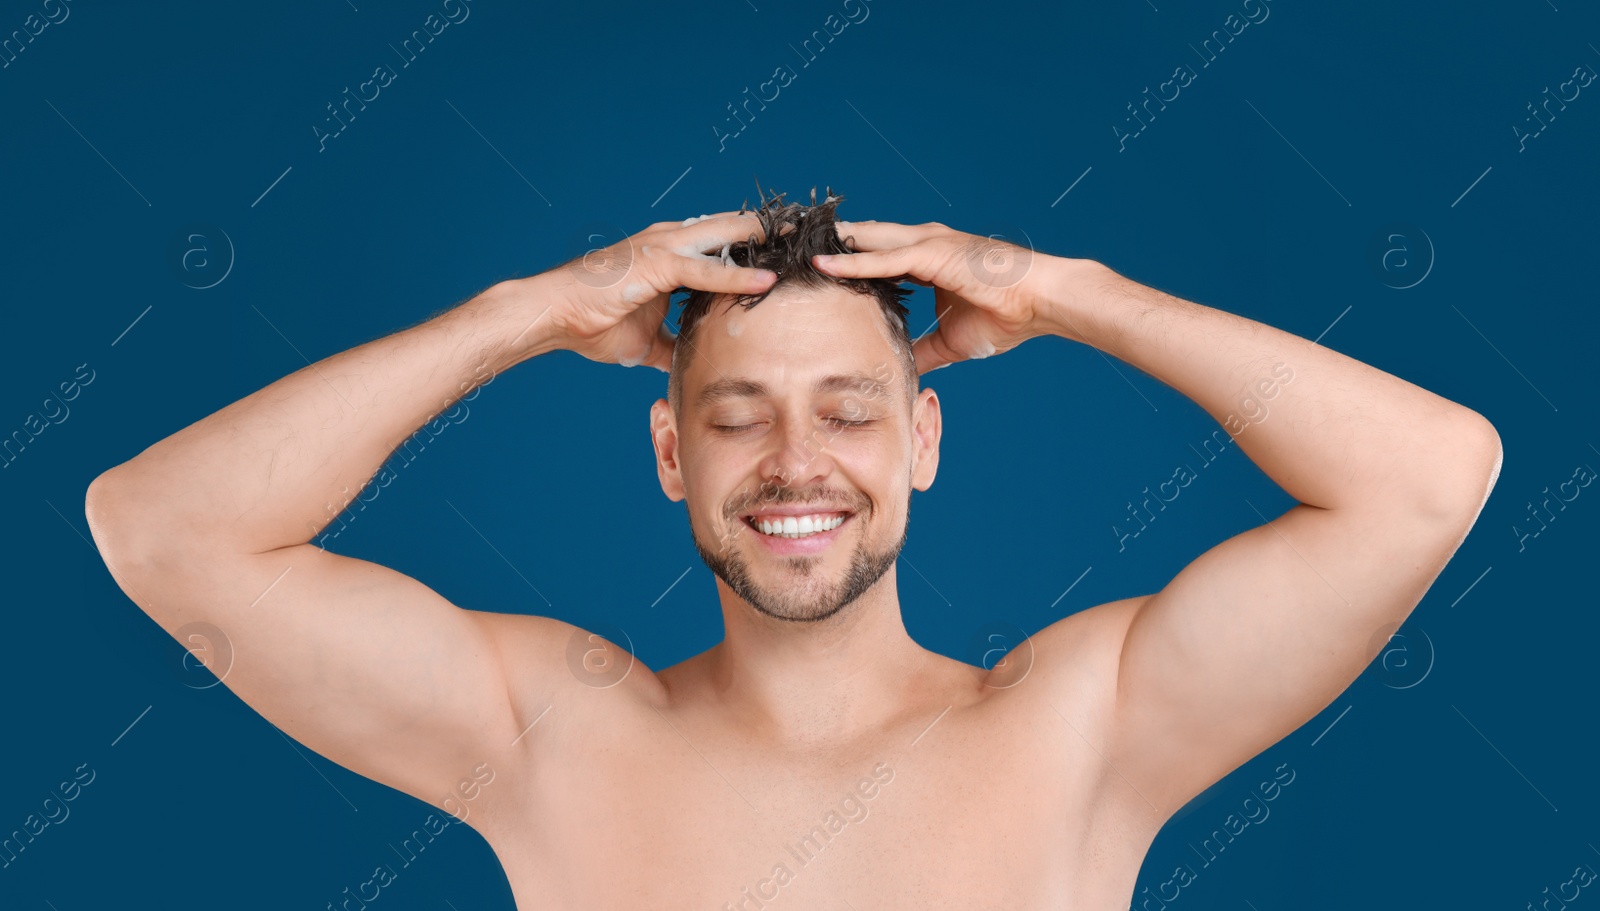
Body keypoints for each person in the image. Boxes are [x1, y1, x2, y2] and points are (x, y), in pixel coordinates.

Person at [84, 186, 1501, 909]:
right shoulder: (547, 735)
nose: (796, 466)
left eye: (847, 412)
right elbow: (163, 530)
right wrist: (522, 311)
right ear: (668, 453)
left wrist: (1063, 293)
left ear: (925, 443)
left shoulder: (1089, 724)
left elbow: (1432, 477)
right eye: (739, 415)